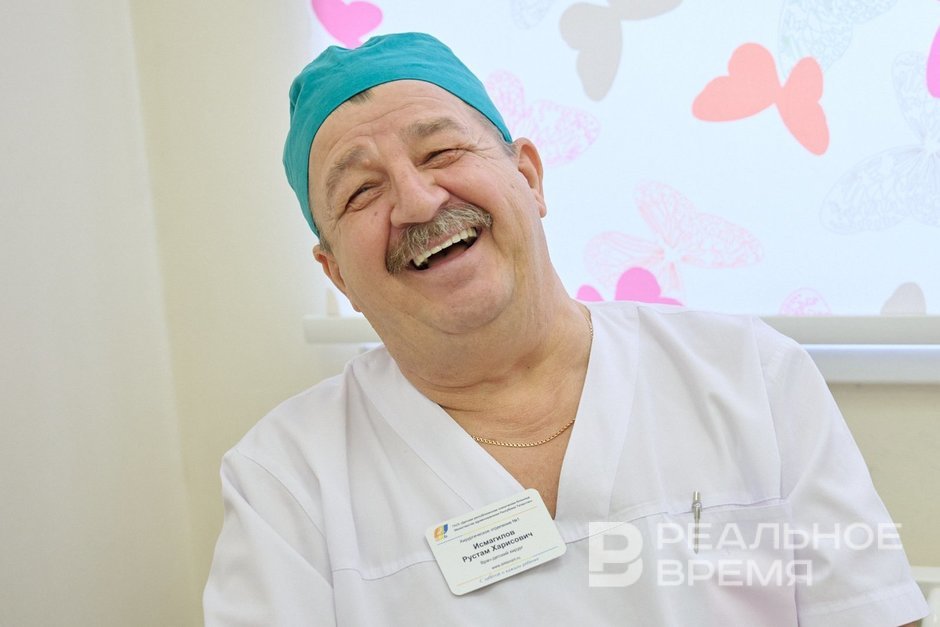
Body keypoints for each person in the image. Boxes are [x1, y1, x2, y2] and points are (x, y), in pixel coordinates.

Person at [204, 32, 929, 626]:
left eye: (441, 152)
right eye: (362, 190)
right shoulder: (287, 480)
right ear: (336, 274)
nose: (419, 202)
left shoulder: (753, 376)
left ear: (530, 176)